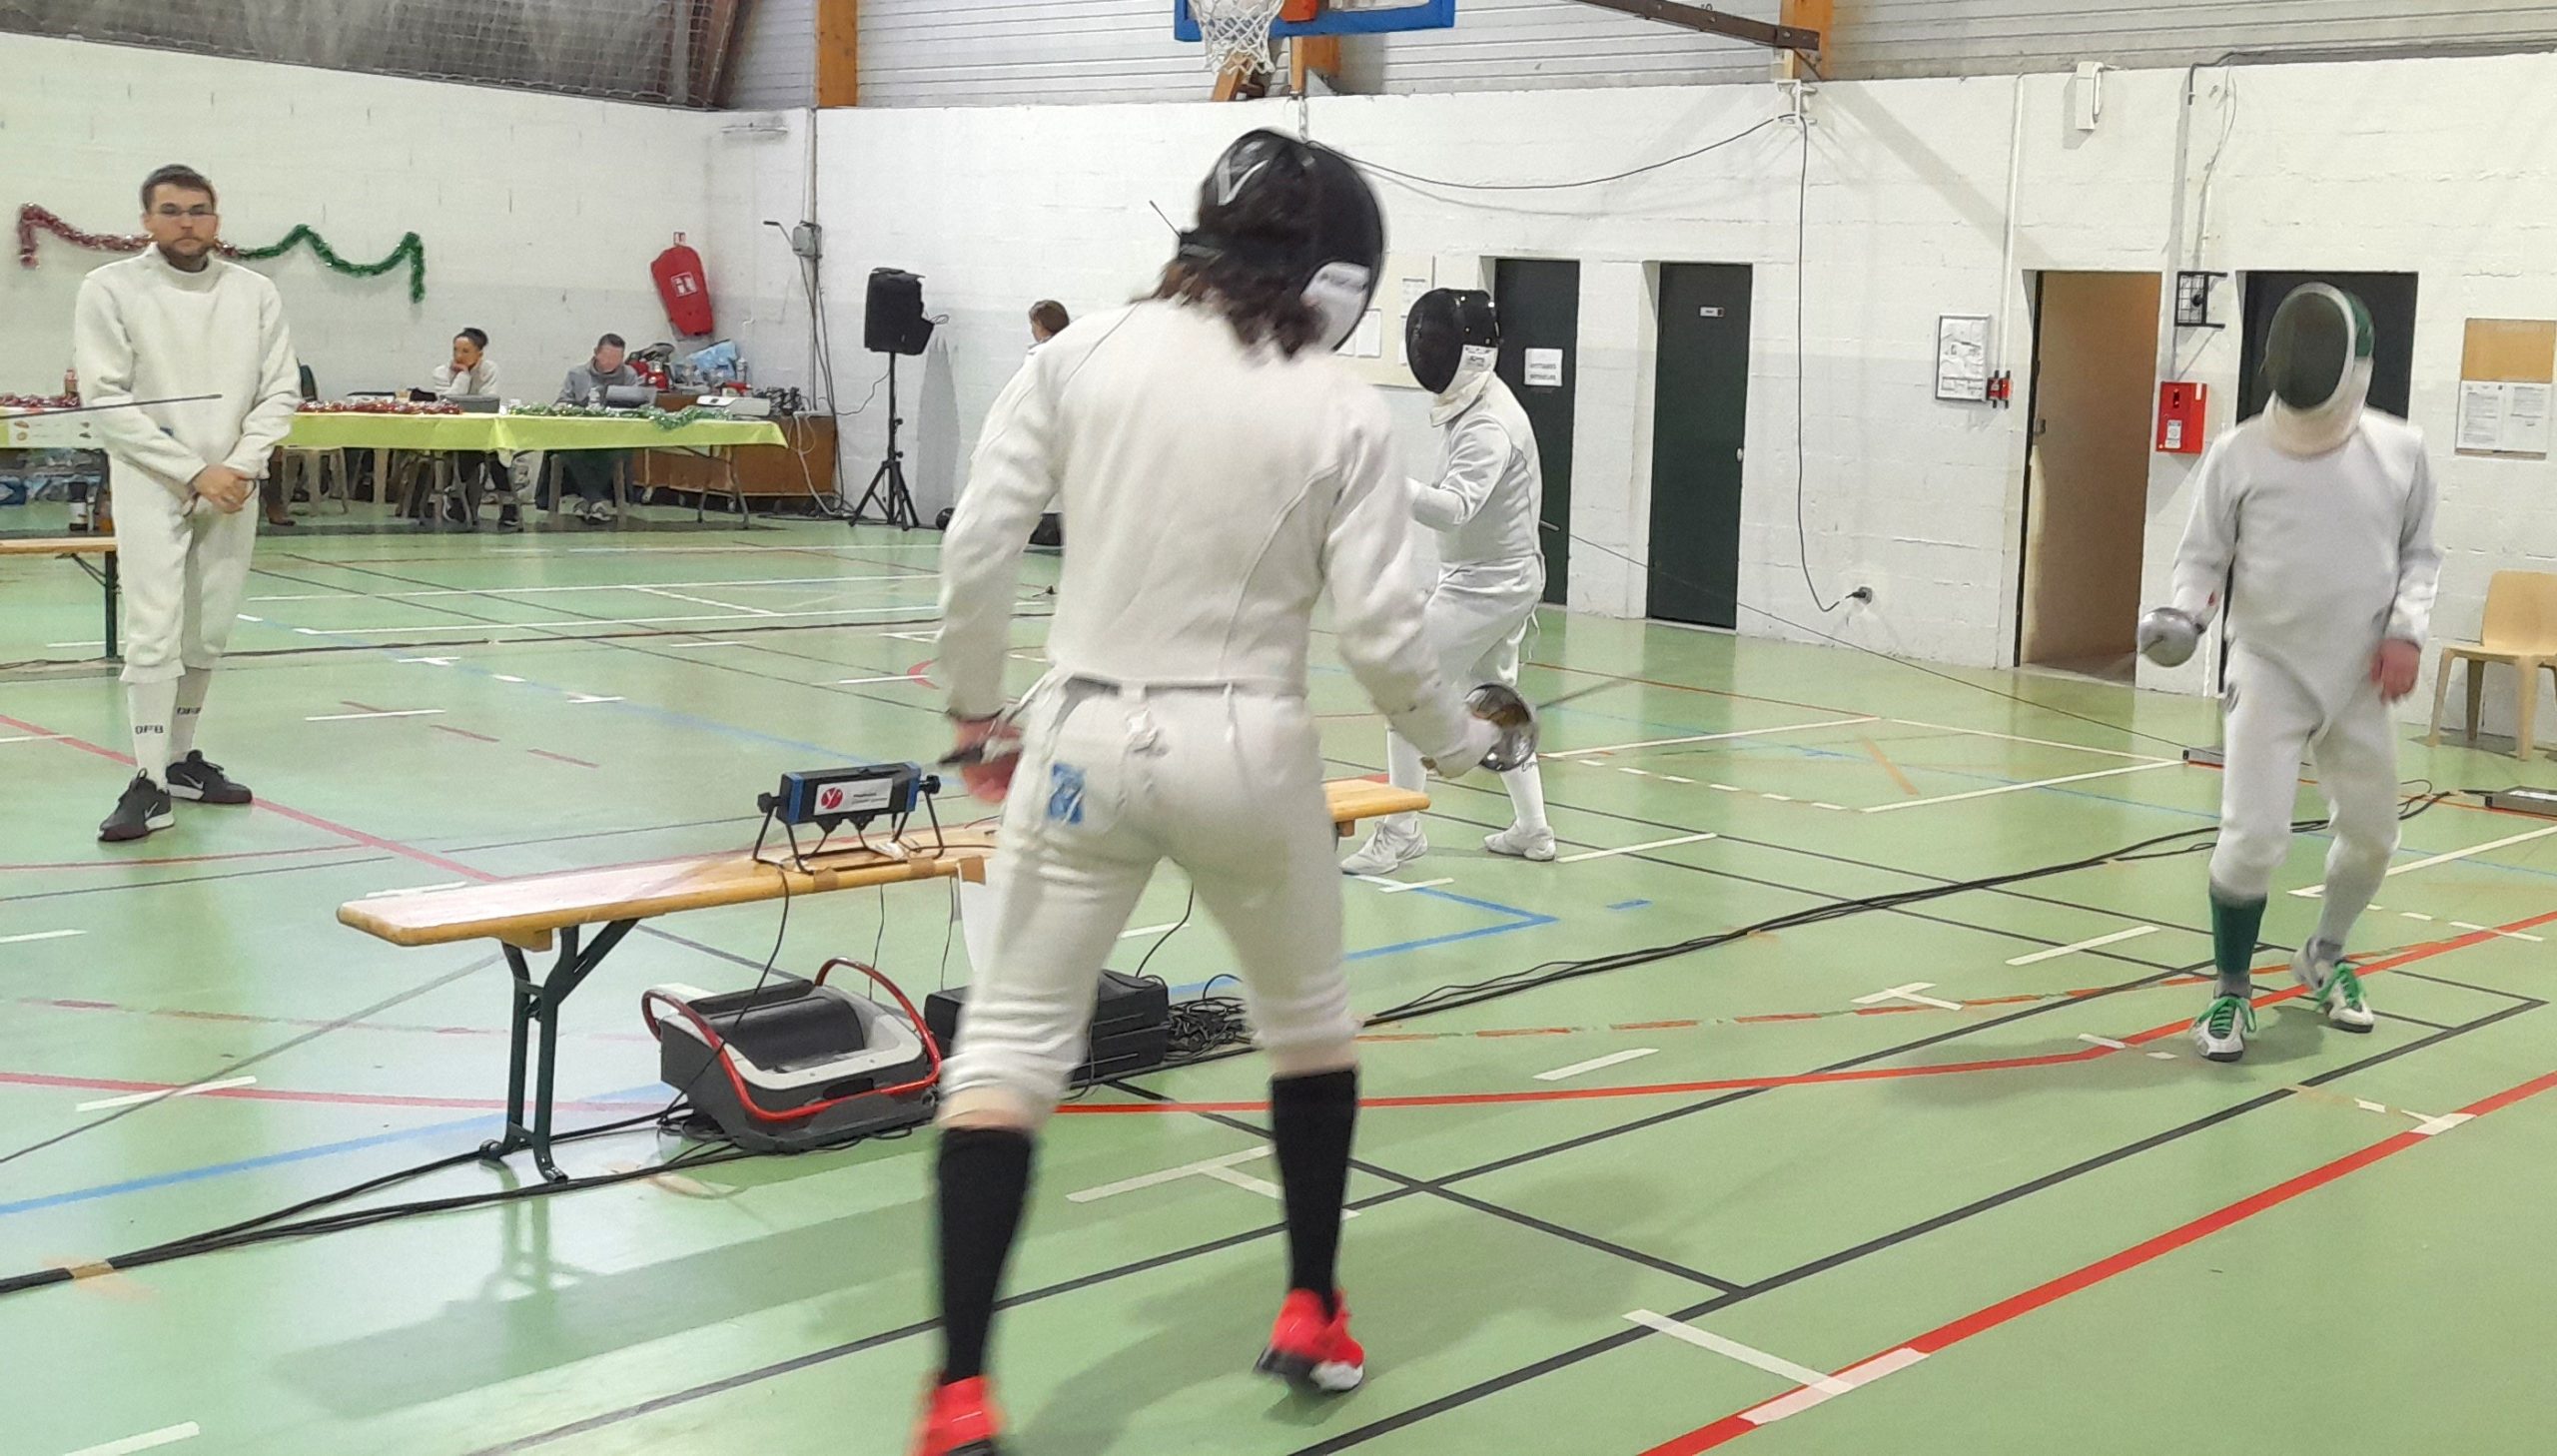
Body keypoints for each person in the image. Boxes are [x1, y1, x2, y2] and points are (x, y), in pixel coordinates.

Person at [914, 130, 1497, 1456]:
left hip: (1077, 743)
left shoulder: (1078, 354)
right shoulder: (1339, 403)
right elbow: (1384, 638)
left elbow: (979, 544)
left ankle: (958, 1395)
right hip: (1247, 751)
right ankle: (1311, 1308)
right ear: (1337, 279)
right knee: (1308, 1027)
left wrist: (975, 711)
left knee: (1006, 1059)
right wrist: (1458, 746)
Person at [2137, 283, 2439, 1063]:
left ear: (2357, 368)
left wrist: (2406, 632)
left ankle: (2325, 955)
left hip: (2362, 675)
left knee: (2372, 839)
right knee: (2252, 839)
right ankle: (2231, 990)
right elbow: (2202, 558)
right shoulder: (2237, 452)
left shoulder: (2402, 450)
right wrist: (2186, 615)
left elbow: (2419, 555)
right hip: (2269, 667)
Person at [74, 163, 299, 843]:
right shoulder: (109, 287)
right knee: (153, 629)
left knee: (209, 628)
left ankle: (178, 761)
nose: (186, 222)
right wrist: (192, 470)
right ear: (147, 220)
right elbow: (105, 398)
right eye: (170, 211)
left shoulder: (254, 292)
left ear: (216, 218)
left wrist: (239, 465)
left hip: (233, 485)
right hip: (153, 480)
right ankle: (147, 781)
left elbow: (279, 391)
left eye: (198, 210)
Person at [1342, 288, 1555, 871]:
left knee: (1405, 688)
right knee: (1497, 704)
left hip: (1489, 585)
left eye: (1436, 342)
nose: (1426, 351)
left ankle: (1400, 830)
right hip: (1496, 577)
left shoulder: (1489, 423)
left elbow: (1455, 508)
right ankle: (1533, 829)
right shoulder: (1478, 404)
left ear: (1468, 352)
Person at [552, 333, 636, 522]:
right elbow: (562, 402)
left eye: (617, 358)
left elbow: (635, 404)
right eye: (606, 356)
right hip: (580, 435)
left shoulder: (629, 375)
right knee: (568, 450)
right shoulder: (577, 373)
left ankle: (589, 501)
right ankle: (597, 500)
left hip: (614, 436)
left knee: (618, 452)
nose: (611, 362)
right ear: (596, 353)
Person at [432, 327, 510, 526]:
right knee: (469, 451)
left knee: (497, 452)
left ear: (480, 353)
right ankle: (458, 501)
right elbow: (448, 403)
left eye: (465, 351)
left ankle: (509, 507)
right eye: (455, 350)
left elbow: (488, 400)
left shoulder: (489, 369)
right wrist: (464, 375)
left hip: (482, 431)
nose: (459, 356)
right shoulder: (441, 372)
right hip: (452, 431)